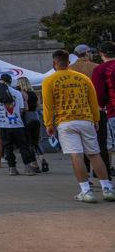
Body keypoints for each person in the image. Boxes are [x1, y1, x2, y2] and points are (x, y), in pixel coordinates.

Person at [42, 49, 114, 202]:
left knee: (76, 155)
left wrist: (49, 124)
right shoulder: (83, 78)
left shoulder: (49, 80)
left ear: (54, 63)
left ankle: (86, 191)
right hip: (86, 119)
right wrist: (95, 120)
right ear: (68, 62)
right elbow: (93, 102)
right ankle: (107, 188)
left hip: (66, 121)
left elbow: (48, 105)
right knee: (94, 153)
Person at [0, 73, 36, 176]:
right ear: (10, 82)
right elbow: (21, 110)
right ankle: (28, 168)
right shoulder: (17, 93)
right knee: (23, 146)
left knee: (8, 147)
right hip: (17, 124)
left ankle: (12, 168)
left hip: (3, 124)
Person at [92, 41, 115, 178]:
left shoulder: (100, 69)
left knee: (110, 144)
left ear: (102, 53)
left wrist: (99, 108)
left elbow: (99, 95)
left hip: (112, 110)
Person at [17, 77, 49, 173]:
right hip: (35, 117)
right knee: (36, 141)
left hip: (27, 118)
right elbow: (38, 106)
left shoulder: (22, 94)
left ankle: (34, 164)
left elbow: (22, 108)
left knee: (29, 142)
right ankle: (43, 159)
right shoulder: (34, 94)